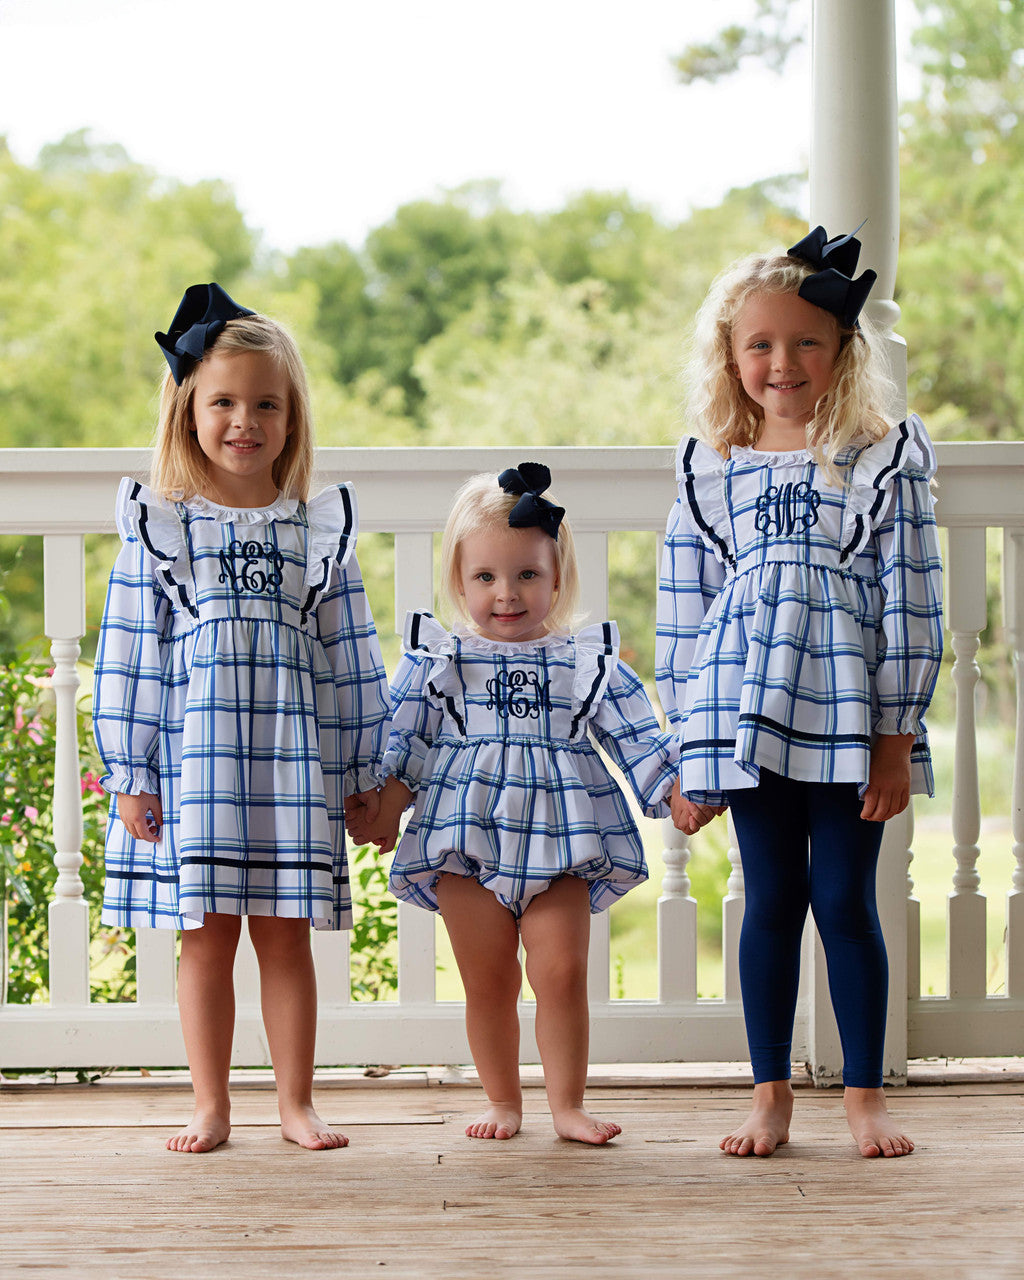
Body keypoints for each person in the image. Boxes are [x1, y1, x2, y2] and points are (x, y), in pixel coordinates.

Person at [656, 227, 944, 1159]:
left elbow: (911, 599)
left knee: (846, 900)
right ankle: (769, 1093)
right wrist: (690, 751)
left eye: (807, 342)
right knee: (770, 897)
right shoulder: (711, 471)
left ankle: (863, 1095)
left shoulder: (880, 459)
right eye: (761, 345)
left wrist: (896, 736)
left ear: (842, 352)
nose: (783, 364)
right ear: (732, 357)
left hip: (852, 716)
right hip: (745, 720)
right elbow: (685, 618)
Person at [93, 283, 390, 1154]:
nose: (243, 421)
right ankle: (211, 1103)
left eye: (266, 403)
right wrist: (130, 773)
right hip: (197, 764)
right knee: (206, 940)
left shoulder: (316, 530)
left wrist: (365, 772)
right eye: (222, 401)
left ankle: (296, 1101)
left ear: (292, 417)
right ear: (188, 412)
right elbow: (127, 658)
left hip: (293, 764)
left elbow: (353, 659)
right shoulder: (162, 529)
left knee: (285, 937)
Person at [348, 464, 678, 1144]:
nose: (507, 593)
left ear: (558, 577)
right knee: (488, 978)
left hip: (563, 838)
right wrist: (384, 808)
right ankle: (503, 1100)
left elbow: (636, 734)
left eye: (527, 574)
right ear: (459, 581)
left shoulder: (583, 663)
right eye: (486, 578)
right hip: (463, 840)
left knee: (560, 971)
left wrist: (672, 789)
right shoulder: (440, 661)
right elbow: (406, 746)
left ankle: (568, 1105)